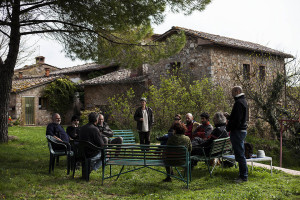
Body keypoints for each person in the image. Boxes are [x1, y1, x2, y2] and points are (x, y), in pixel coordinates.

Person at [227, 86, 248, 183]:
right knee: (240, 154)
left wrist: (228, 127)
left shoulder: (239, 103)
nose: (232, 94)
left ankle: (243, 176)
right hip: (241, 130)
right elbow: (238, 118)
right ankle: (242, 175)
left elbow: (237, 121)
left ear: (237, 91)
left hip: (238, 131)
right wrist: (229, 117)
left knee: (240, 154)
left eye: (232, 92)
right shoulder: (243, 102)